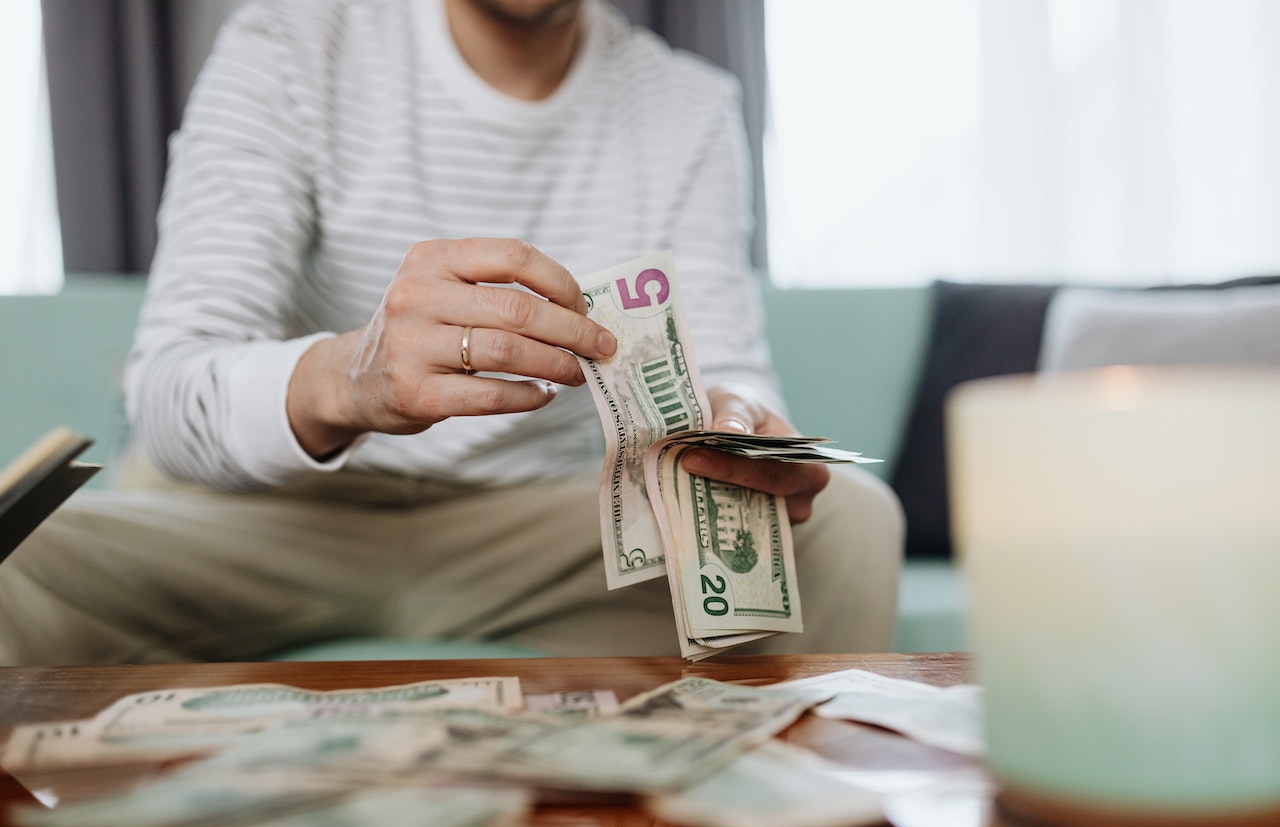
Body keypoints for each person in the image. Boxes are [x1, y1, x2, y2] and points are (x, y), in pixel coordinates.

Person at [0, 0, 903, 665]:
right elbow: (167, 390)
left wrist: (741, 425)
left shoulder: (690, 107)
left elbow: (731, 370)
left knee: (849, 528)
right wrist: (346, 380)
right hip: (271, 526)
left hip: (540, 532)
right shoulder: (286, 45)